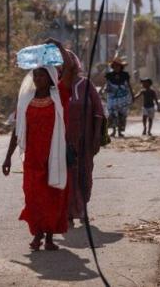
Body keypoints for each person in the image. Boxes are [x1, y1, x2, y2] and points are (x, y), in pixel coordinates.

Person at [2, 39, 75, 251]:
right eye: (35, 75)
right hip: (33, 159)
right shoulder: (25, 100)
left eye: (42, 74)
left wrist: (59, 46)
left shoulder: (59, 96)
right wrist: (8, 157)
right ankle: (37, 235)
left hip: (54, 156)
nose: (37, 78)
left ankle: (50, 237)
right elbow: (17, 130)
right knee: (33, 197)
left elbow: (70, 68)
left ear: (50, 77)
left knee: (53, 196)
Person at [64, 52, 105, 227]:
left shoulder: (86, 85)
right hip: (65, 141)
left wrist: (96, 137)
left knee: (84, 174)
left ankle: (82, 207)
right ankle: (71, 212)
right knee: (68, 176)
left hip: (86, 139)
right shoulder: (56, 87)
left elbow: (98, 113)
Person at [104, 58, 133, 137]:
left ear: (121, 67)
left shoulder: (125, 75)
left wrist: (132, 95)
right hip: (112, 97)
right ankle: (113, 131)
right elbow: (106, 85)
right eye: (115, 66)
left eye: (118, 66)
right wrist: (104, 91)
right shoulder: (109, 75)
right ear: (113, 67)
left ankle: (120, 131)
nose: (117, 67)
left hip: (123, 97)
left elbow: (129, 85)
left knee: (122, 115)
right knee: (112, 114)